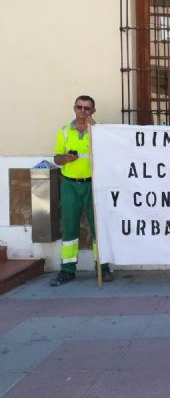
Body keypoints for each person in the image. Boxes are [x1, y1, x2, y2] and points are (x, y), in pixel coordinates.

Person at [50, 95, 114, 286]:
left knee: (97, 228)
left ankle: (102, 267)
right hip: (70, 184)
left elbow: (108, 153)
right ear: (74, 108)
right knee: (69, 227)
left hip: (93, 184)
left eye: (87, 108)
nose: (83, 111)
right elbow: (56, 158)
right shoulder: (64, 131)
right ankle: (67, 270)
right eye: (80, 107)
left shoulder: (99, 130)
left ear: (93, 111)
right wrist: (65, 159)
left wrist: (96, 130)